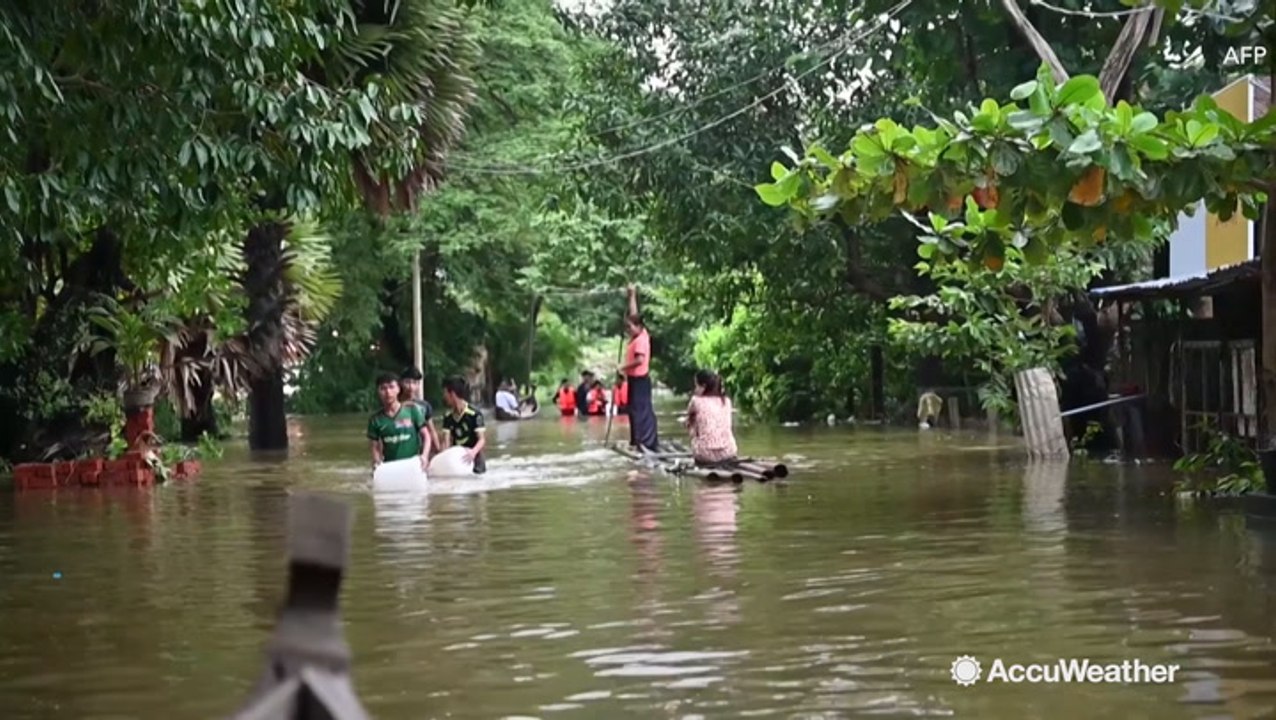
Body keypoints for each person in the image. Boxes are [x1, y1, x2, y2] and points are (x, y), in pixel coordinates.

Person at [618, 284, 658, 451]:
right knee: (634, 410)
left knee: (641, 411)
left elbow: (640, 360)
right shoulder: (638, 335)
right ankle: (637, 440)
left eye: (630, 327)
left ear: (639, 327)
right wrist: (631, 295)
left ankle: (644, 442)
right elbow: (634, 314)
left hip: (640, 379)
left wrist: (622, 368)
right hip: (635, 380)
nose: (628, 330)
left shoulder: (641, 338)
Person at [367, 372, 431, 470]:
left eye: (391, 387)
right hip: (391, 467)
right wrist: (377, 463)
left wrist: (424, 456)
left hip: (413, 465)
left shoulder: (412, 411)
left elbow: (426, 436)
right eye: (383, 388)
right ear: (378, 391)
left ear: (398, 389)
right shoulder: (375, 420)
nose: (388, 392)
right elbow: (374, 447)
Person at [684, 369, 737, 466]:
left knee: (691, 422)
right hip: (729, 452)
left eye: (696, 386)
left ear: (704, 386)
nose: (695, 389)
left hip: (706, 455)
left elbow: (689, 424)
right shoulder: (726, 401)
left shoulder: (695, 401)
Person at [440, 375, 487, 474]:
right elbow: (446, 442)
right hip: (457, 457)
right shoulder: (448, 417)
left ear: (452, 394)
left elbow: (481, 440)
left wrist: (472, 452)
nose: (444, 396)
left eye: (445, 393)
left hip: (474, 457)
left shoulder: (475, 414)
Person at [400, 366, 441, 455]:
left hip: (421, 450)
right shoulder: (395, 405)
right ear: (401, 383)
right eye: (407, 382)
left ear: (419, 385)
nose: (411, 387)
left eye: (415, 383)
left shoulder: (424, 406)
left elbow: (431, 430)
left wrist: (438, 450)